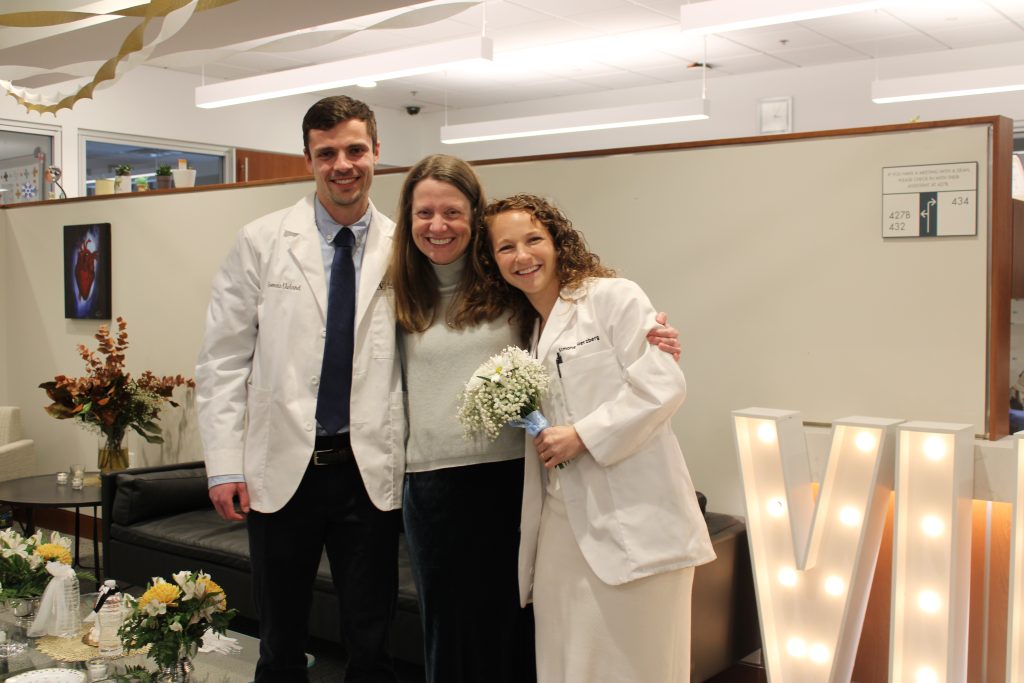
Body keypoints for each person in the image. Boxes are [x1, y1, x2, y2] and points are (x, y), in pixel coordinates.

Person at [387, 155, 682, 683]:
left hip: (514, 480)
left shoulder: (512, 297)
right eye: (424, 212)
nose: (438, 225)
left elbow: (637, 371)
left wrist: (656, 342)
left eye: (452, 212)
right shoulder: (397, 295)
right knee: (458, 635)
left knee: (522, 632)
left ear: (473, 218)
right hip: (435, 490)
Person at [195, 95, 403, 683]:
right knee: (280, 638)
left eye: (355, 150)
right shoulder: (261, 240)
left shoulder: (403, 247)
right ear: (308, 159)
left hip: (369, 470)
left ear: (376, 151)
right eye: (327, 153)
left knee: (372, 637)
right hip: (284, 467)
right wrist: (223, 466)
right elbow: (222, 361)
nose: (343, 165)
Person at [474, 194, 716, 683]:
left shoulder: (611, 297)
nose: (523, 256)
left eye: (533, 239)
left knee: (638, 667)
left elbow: (663, 384)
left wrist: (582, 435)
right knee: (565, 662)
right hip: (561, 526)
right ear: (492, 261)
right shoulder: (526, 328)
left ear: (557, 242)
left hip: (636, 519)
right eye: (506, 247)